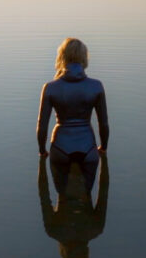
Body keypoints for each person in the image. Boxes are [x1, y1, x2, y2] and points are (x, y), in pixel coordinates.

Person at [36, 37, 109, 192]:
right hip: (88, 147)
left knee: (62, 200)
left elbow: (42, 126)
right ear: (84, 58)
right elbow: (104, 124)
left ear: (62, 57)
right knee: (87, 200)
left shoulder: (50, 88)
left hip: (60, 148)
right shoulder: (96, 86)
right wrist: (103, 147)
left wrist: (42, 150)